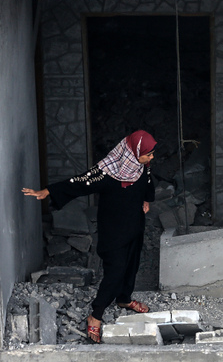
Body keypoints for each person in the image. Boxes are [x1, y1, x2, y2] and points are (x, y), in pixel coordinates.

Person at [23, 130, 157, 343]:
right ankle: (96, 315)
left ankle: (123, 299)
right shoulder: (107, 173)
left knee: (132, 264)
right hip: (114, 232)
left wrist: (147, 200)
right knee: (116, 271)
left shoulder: (142, 167)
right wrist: (48, 191)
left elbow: (148, 184)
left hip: (135, 226)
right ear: (134, 151)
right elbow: (80, 182)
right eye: (148, 154)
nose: (151, 158)